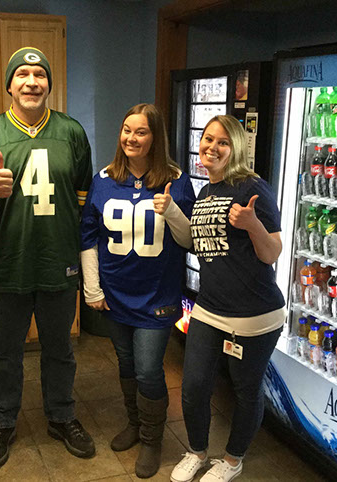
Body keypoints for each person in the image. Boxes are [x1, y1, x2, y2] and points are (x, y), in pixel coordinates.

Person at [0, 47, 95, 469]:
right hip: (9, 264)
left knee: (61, 350)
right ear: (9, 85)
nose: (31, 82)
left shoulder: (71, 132)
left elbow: (84, 199)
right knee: (5, 354)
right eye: (22, 74)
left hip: (59, 262)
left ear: (49, 84)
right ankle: (2, 422)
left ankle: (62, 416)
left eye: (39, 74)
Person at [154, 115, 285, 482]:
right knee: (194, 386)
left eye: (223, 142)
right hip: (210, 308)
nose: (212, 147)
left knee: (245, 390)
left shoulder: (252, 187)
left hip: (254, 314)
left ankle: (232, 460)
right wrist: (172, 211)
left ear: (236, 148)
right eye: (208, 139)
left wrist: (253, 224)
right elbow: (195, 243)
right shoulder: (206, 191)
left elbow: (272, 252)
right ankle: (197, 452)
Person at [80, 103, 195, 478]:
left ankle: (151, 439)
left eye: (141, 131)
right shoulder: (103, 179)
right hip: (115, 293)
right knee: (127, 365)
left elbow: (189, 240)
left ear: (155, 137)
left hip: (156, 296)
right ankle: (135, 423)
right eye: (127, 130)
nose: (131, 138)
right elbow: (88, 237)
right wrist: (93, 288)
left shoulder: (176, 180)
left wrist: (172, 210)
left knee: (148, 370)